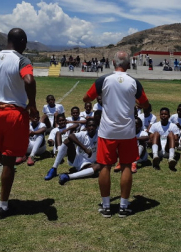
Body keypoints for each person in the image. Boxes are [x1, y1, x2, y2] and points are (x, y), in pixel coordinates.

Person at [0, 28, 38, 220]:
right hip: (14, 114)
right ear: (22, 41)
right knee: (9, 159)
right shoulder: (22, 60)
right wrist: (33, 105)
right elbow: (29, 80)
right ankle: (3, 206)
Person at [83, 50, 149, 218]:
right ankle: (123, 207)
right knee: (127, 165)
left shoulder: (103, 80)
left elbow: (86, 99)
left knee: (105, 166)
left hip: (107, 131)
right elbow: (145, 103)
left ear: (113, 63)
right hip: (127, 131)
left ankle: (106, 207)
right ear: (128, 65)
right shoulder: (134, 82)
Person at [45, 118, 99, 183]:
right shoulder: (83, 134)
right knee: (67, 141)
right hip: (76, 159)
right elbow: (70, 136)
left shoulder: (99, 135)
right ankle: (54, 168)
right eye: (89, 126)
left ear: (96, 127)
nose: (91, 127)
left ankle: (68, 176)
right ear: (86, 127)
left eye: (93, 125)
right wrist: (85, 149)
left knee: (98, 167)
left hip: (88, 163)